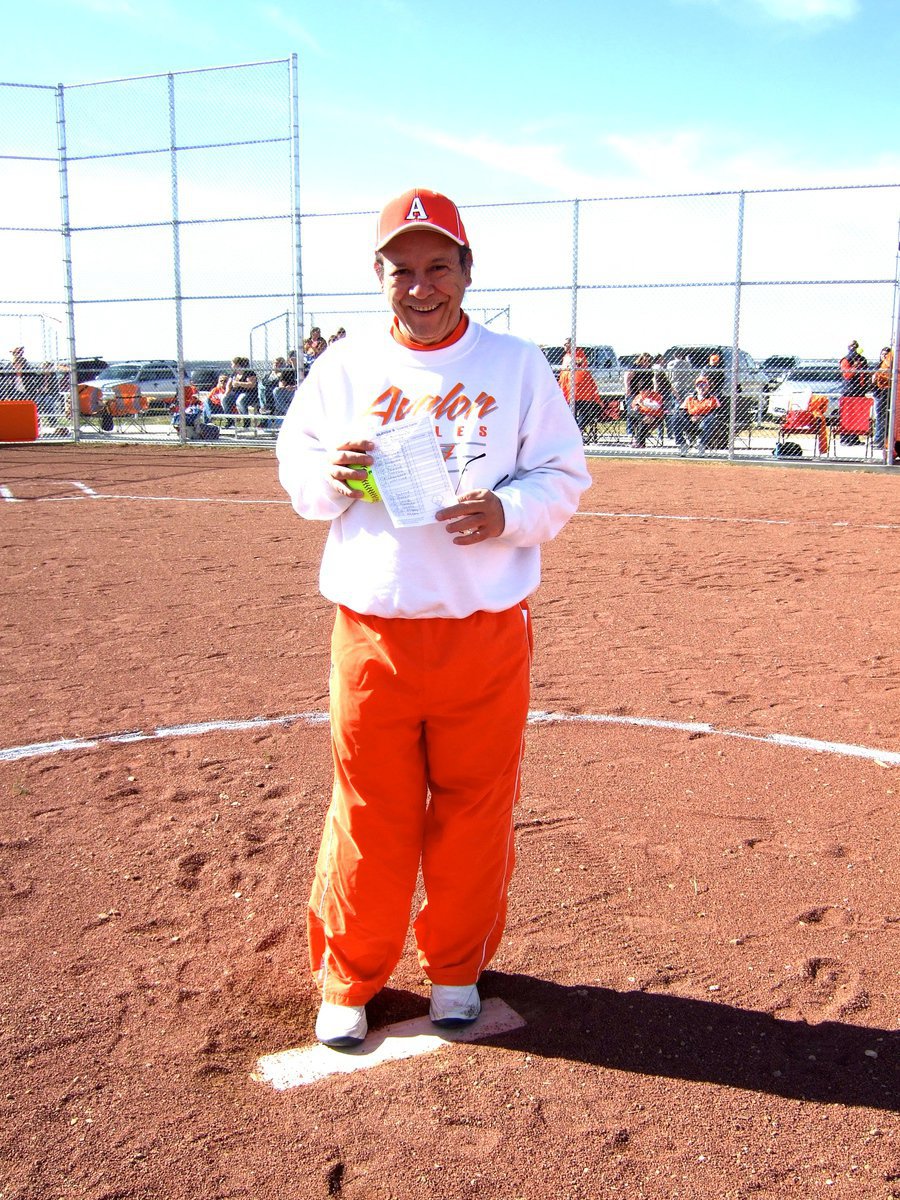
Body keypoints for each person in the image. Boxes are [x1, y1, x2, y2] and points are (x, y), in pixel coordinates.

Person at [276, 186, 591, 1049]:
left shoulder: (516, 364)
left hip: (484, 628)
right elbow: (299, 473)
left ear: (466, 270)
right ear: (381, 277)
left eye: (438, 267)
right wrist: (334, 474)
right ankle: (349, 975)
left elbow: (564, 473)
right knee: (370, 808)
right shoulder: (343, 366)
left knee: (474, 807)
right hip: (374, 627)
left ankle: (454, 969)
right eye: (403, 270)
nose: (421, 286)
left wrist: (508, 511)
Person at [558, 338, 600, 439]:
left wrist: (573, 364)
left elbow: (580, 364)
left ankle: (576, 431)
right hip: (568, 390)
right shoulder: (566, 356)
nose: (564, 346)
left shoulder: (579, 354)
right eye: (564, 344)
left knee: (583, 412)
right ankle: (571, 433)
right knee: (569, 413)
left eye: (566, 344)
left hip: (580, 390)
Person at [681, 375, 720, 455]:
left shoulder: (712, 398)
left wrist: (702, 417)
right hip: (690, 421)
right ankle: (682, 444)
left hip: (705, 421)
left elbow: (717, 412)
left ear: (708, 386)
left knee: (709, 420)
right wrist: (690, 417)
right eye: (698, 385)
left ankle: (700, 443)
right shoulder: (689, 398)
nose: (701, 387)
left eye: (704, 385)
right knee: (675, 417)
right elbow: (682, 411)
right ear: (695, 387)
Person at [623, 351, 656, 448]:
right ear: (641, 359)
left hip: (644, 394)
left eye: (649, 361)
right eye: (645, 360)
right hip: (633, 393)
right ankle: (631, 433)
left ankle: (640, 435)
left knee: (643, 412)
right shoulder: (635, 367)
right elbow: (627, 378)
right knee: (633, 412)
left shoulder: (649, 370)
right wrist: (627, 389)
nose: (647, 362)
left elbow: (652, 382)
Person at [222, 356, 258, 430]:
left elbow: (252, 384)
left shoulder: (248, 372)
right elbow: (229, 384)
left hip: (249, 393)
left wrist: (239, 383)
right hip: (236, 393)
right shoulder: (234, 374)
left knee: (240, 400)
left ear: (237, 364)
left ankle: (246, 421)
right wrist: (226, 394)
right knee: (225, 399)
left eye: (232, 364)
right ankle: (229, 420)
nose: (231, 366)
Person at [872, 345, 892, 451]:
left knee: (886, 417)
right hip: (879, 394)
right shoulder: (878, 366)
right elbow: (872, 381)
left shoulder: (890, 366)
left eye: (886, 354)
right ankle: (878, 440)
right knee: (880, 417)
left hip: (887, 393)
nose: (884, 356)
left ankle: (884, 440)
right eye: (882, 354)